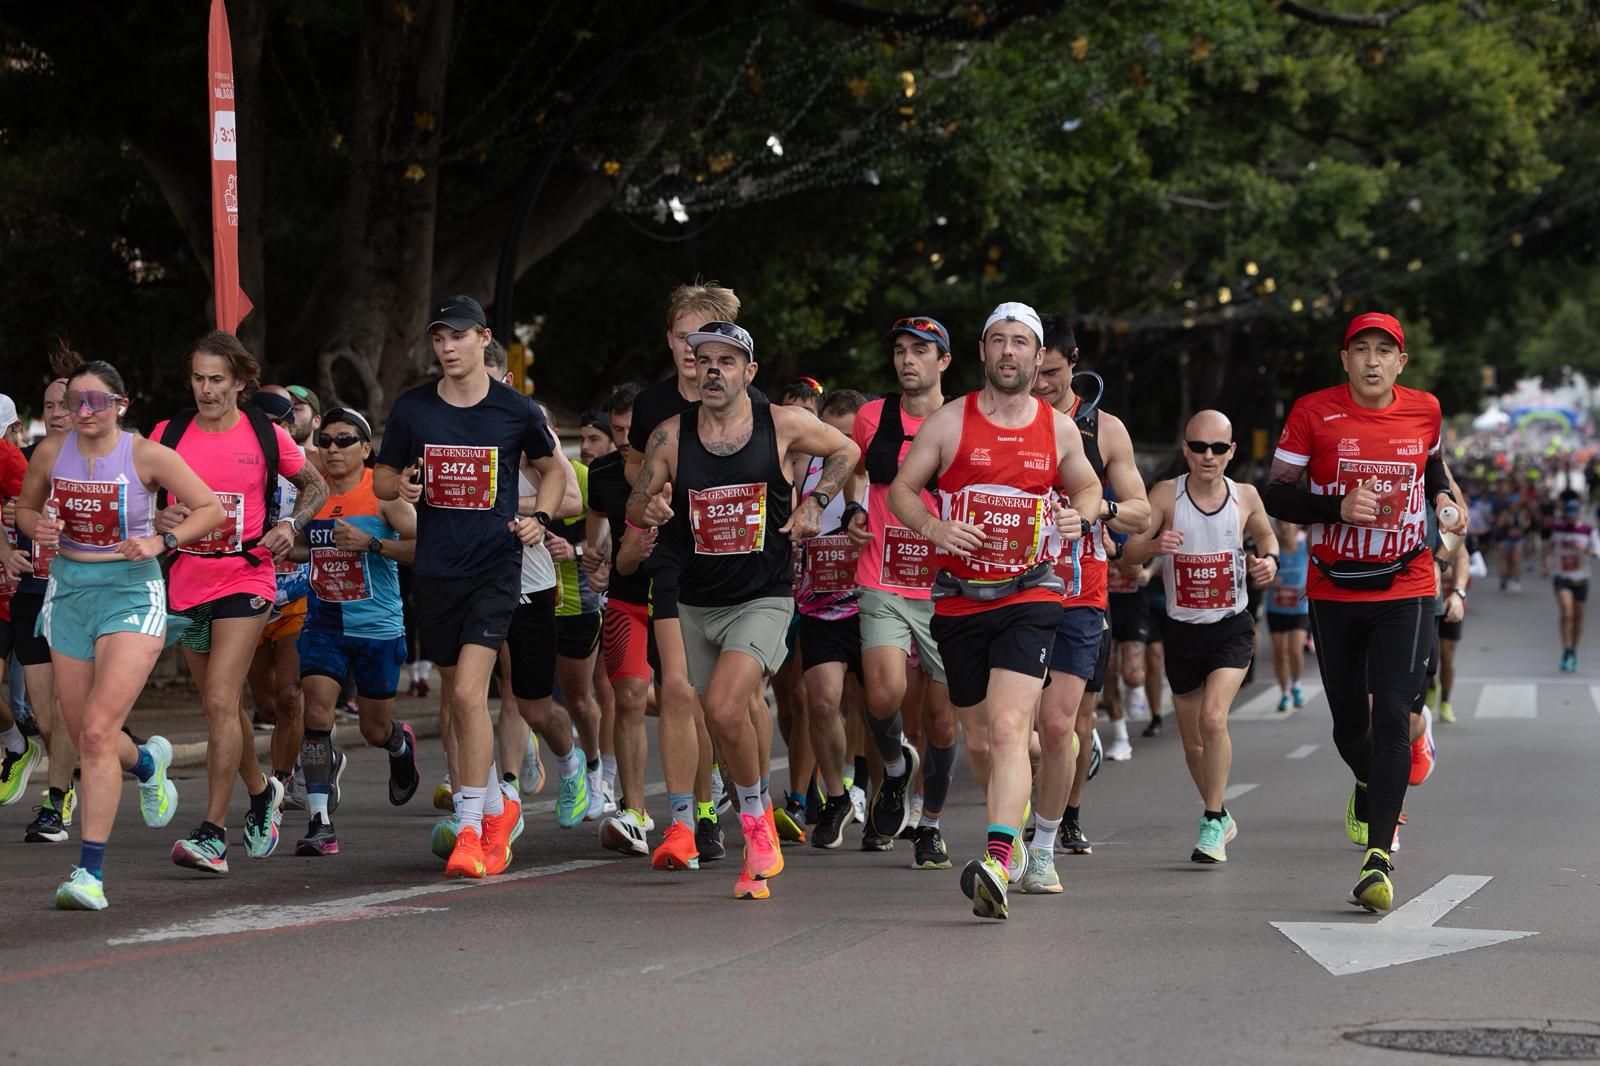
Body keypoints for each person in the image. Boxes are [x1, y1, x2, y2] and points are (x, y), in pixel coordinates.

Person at [629, 320, 858, 899]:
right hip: (695, 595)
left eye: (727, 362)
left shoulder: (780, 424)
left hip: (763, 593)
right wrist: (649, 507)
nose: (713, 370)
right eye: (704, 359)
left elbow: (848, 449)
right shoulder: (669, 435)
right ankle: (739, 820)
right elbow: (639, 494)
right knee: (709, 711)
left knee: (728, 707)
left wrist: (816, 501)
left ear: (748, 373)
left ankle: (756, 824)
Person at [888, 301, 1102, 920]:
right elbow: (903, 490)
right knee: (978, 740)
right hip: (959, 599)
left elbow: (1086, 486)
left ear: (1039, 359)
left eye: (1021, 343)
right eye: (998, 341)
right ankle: (1013, 823)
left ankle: (1000, 858)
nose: (1009, 353)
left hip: (1032, 592)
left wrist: (1079, 514)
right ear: (983, 352)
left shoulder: (1057, 429)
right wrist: (933, 526)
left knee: (1012, 726)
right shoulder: (949, 424)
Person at [1264, 311, 1466, 912]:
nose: (1372, 361)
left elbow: (1429, 464)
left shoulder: (1425, 409)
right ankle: (1371, 780)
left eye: (1385, 351)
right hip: (1334, 586)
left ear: (1401, 362)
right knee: (1349, 725)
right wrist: (1335, 506)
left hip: (1406, 582)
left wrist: (1443, 501)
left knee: (1392, 719)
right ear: (1345, 359)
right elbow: (1277, 492)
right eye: (1361, 350)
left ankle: (1378, 858)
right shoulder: (1311, 413)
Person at [375, 294, 573, 879]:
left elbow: (554, 469)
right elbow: (384, 472)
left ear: (484, 338)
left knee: (467, 696)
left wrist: (542, 519)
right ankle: (494, 807)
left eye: (458, 337)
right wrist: (401, 486)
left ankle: (469, 832)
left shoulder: (516, 410)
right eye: (439, 338)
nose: (447, 348)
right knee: (455, 692)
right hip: (435, 570)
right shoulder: (413, 409)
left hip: (495, 566)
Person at [17, 359, 226, 909]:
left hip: (132, 594)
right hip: (69, 595)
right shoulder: (49, 453)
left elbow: (210, 509)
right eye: (74, 402)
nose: (83, 412)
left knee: (94, 733)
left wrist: (164, 542)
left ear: (121, 405)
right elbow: (24, 509)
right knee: (88, 731)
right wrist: (32, 526)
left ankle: (89, 874)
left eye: (96, 402)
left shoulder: (145, 455)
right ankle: (148, 763)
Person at [157, 332, 329, 874]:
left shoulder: (263, 434)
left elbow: (315, 487)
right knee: (224, 708)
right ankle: (261, 794)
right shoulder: (170, 432)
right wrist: (158, 519)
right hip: (188, 578)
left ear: (239, 382)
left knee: (218, 699)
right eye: (197, 379)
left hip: (246, 576)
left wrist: (289, 523)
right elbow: (141, 497)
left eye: (216, 380)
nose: (205, 390)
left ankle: (212, 833)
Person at [626, 282, 748, 872]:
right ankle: (693, 815)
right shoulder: (654, 406)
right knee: (680, 691)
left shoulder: (753, 399)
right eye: (679, 337)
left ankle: (746, 793)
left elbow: (785, 466)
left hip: (739, 568)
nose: (687, 348)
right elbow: (634, 476)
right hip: (675, 557)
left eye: (700, 337)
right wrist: (645, 503)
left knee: (730, 704)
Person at [1026, 313, 1150, 889]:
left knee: (1068, 720)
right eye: (1032, 371)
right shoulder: (1004, 419)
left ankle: (1059, 823)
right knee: (1015, 723)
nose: (1040, 383)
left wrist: (1098, 511)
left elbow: (1141, 510)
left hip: (1081, 591)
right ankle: (1025, 813)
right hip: (1014, 590)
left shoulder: (1105, 428)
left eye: (1050, 372)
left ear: (1073, 363)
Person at [1123, 411, 1278, 864]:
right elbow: (1128, 554)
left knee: (1214, 719)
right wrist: (1153, 547)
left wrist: (1267, 561)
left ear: (1231, 451)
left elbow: (1268, 538)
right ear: (1186, 448)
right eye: (1198, 446)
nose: (1207, 456)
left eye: (1218, 448)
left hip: (1231, 626)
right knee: (1192, 744)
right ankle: (1222, 813)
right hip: (1182, 630)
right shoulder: (1166, 495)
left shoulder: (1245, 496)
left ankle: (1210, 820)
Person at [839, 316, 958, 864]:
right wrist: (858, 507)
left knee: (941, 718)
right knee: (883, 694)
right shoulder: (872, 416)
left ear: (944, 362)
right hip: (882, 575)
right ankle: (893, 769)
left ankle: (929, 822)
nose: (907, 360)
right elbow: (854, 469)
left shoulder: (964, 420)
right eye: (900, 351)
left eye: (921, 351)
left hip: (946, 586)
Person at [288, 407, 420, 855]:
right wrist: (290, 547)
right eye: (325, 441)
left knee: (372, 729)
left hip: (376, 626)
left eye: (344, 441)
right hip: (324, 622)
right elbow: (303, 548)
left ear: (366, 449)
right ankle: (320, 823)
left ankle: (398, 744)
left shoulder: (383, 497)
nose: (332, 449)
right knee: (317, 714)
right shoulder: (312, 496)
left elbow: (426, 550)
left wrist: (373, 543)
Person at [6, 363, 81, 840]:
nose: (56, 413)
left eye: (65, 405)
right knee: (48, 716)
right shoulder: (26, 459)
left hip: (79, 593)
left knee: (68, 705)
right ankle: (139, 761)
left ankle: (57, 801)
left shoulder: (105, 461)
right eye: (49, 405)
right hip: (33, 591)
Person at [589, 383, 663, 856]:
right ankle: (634, 809)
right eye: (614, 429)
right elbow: (598, 528)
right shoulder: (602, 472)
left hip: (678, 602)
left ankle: (705, 791)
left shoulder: (675, 464)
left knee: (692, 702)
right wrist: (598, 557)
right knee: (628, 695)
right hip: (626, 599)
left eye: (628, 429)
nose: (621, 438)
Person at [244, 386, 317, 808]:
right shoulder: (236, 465)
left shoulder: (309, 468)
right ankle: (314, 749)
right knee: (268, 705)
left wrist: (293, 536)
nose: (273, 432)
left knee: (291, 696)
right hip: (248, 597)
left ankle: (281, 782)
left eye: (281, 424)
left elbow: (321, 530)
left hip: (297, 596)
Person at [1545, 495, 1599, 671]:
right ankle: (1566, 648)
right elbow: (1549, 547)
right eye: (1567, 515)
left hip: (1581, 577)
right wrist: (1547, 563)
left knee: (1578, 617)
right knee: (1567, 613)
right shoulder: (1558, 528)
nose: (1570, 518)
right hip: (1562, 576)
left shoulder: (1588, 531)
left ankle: (1573, 651)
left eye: (1573, 515)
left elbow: (1597, 553)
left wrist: (1587, 550)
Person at [1266, 520, 1310, 711]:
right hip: (1276, 608)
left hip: (1300, 609)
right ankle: (1284, 693)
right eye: (1280, 524)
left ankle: (1297, 685)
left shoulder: (1305, 548)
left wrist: (1309, 589)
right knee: (1280, 653)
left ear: (1297, 527)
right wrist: (1269, 579)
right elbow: (1257, 581)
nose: (1284, 528)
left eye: (1288, 524)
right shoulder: (1271, 551)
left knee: (1294, 650)